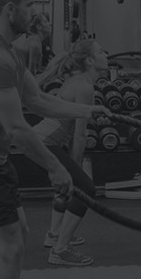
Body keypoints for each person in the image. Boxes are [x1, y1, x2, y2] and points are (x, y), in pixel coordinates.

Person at [0, 0, 110, 279]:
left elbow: (38, 100)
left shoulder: (7, 50)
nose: (35, 12)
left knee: (18, 236)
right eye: (30, 5)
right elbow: (17, 128)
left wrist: (86, 110)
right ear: (10, 9)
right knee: (11, 247)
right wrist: (56, 168)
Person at [33, 39, 109, 266]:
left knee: (71, 185)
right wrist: (75, 171)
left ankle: (55, 234)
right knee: (85, 188)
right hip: (46, 143)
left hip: (42, 141)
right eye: (101, 51)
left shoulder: (79, 82)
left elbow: (74, 119)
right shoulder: (84, 87)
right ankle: (60, 250)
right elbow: (80, 135)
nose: (106, 53)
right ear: (90, 60)